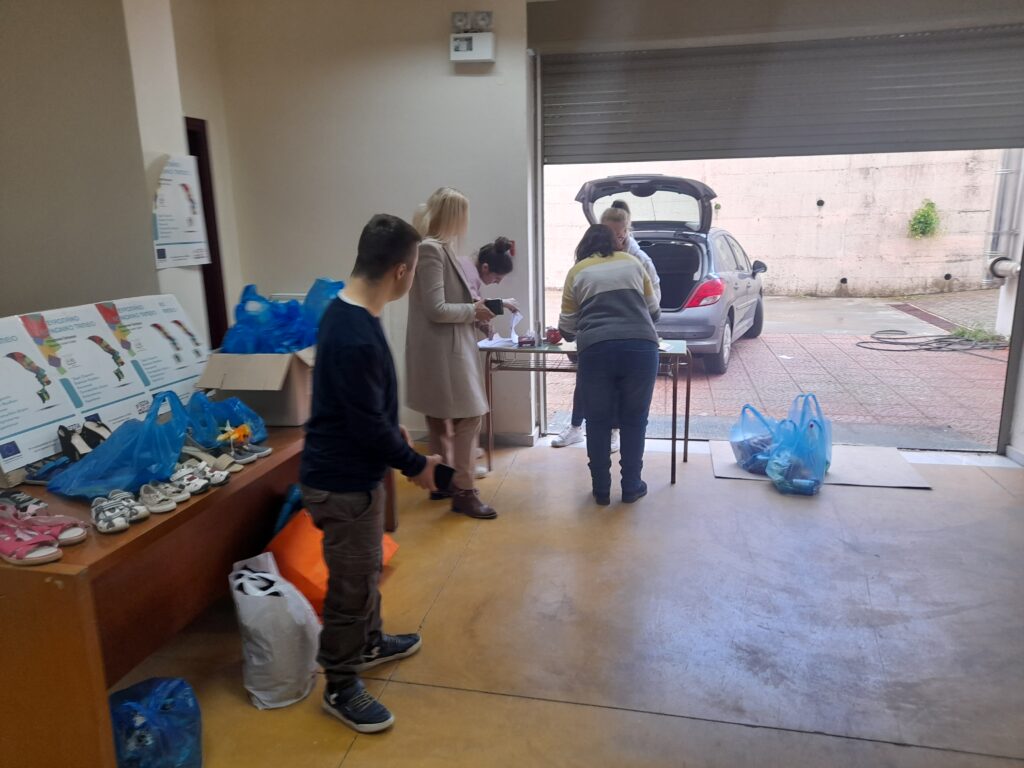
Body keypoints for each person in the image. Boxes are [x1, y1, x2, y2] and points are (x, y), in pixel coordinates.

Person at [300, 214, 441, 733]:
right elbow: (363, 426)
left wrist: (391, 427)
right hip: (342, 483)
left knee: (365, 569)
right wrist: (417, 465)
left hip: (354, 474)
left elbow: (359, 403)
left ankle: (371, 642)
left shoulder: (348, 309)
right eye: (415, 268)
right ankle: (340, 684)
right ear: (402, 271)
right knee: (352, 585)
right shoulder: (355, 333)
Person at [406, 187, 498, 519]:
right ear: (456, 216)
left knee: (438, 418)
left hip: (441, 349)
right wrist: (473, 311)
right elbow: (437, 309)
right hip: (444, 352)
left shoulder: (436, 248)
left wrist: (476, 314)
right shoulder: (432, 249)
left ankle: (442, 482)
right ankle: (463, 490)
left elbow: (443, 303)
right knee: (469, 416)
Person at [559, 223, 661, 505]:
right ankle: (631, 486)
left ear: (584, 246)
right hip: (641, 348)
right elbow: (654, 312)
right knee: (635, 419)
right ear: (616, 243)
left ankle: (601, 489)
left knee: (598, 420)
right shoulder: (633, 263)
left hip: (596, 350)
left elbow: (566, 327)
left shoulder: (577, 272)